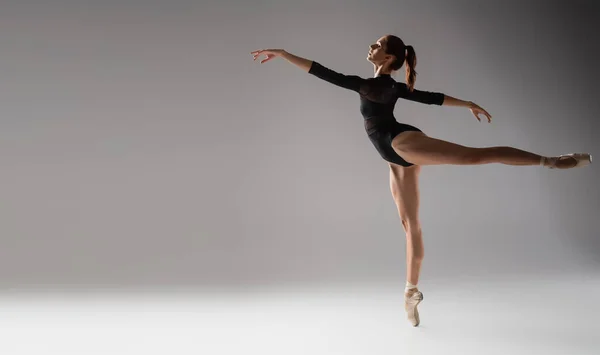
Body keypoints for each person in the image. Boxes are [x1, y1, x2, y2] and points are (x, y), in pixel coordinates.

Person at [250, 35, 592, 327]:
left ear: (389, 57)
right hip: (392, 156)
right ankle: (411, 293)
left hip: (402, 143)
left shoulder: (374, 85)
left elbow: (323, 72)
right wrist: (467, 103)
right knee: (410, 224)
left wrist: (282, 54)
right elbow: (433, 98)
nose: (371, 45)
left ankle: (552, 161)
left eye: (378, 44)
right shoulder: (391, 85)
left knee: (474, 155)